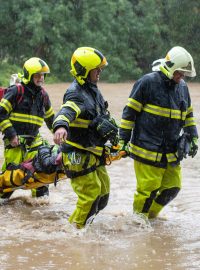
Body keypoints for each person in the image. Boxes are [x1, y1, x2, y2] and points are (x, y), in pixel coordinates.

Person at [119, 46, 198, 219]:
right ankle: (138, 222)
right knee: (148, 189)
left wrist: (193, 138)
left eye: (184, 74)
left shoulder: (182, 88)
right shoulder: (147, 82)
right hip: (146, 149)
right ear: (170, 67)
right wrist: (123, 140)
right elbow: (129, 113)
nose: (181, 77)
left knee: (172, 187)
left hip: (170, 151)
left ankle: (150, 218)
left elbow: (189, 116)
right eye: (179, 72)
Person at [53, 47, 118, 229]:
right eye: (96, 69)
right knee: (91, 195)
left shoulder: (93, 90)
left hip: (93, 151)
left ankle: (84, 227)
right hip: (77, 154)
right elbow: (66, 111)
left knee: (103, 194)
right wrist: (60, 126)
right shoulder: (75, 93)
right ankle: (73, 233)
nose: (100, 72)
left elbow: (102, 117)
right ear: (84, 71)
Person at [0, 57, 55, 199]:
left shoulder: (43, 96)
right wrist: (11, 135)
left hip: (34, 142)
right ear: (29, 75)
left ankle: (40, 206)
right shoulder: (16, 91)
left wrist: (61, 133)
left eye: (43, 75)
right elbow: (1, 113)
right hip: (15, 144)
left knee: (40, 176)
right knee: (8, 180)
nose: (41, 78)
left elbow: (51, 120)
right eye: (37, 75)